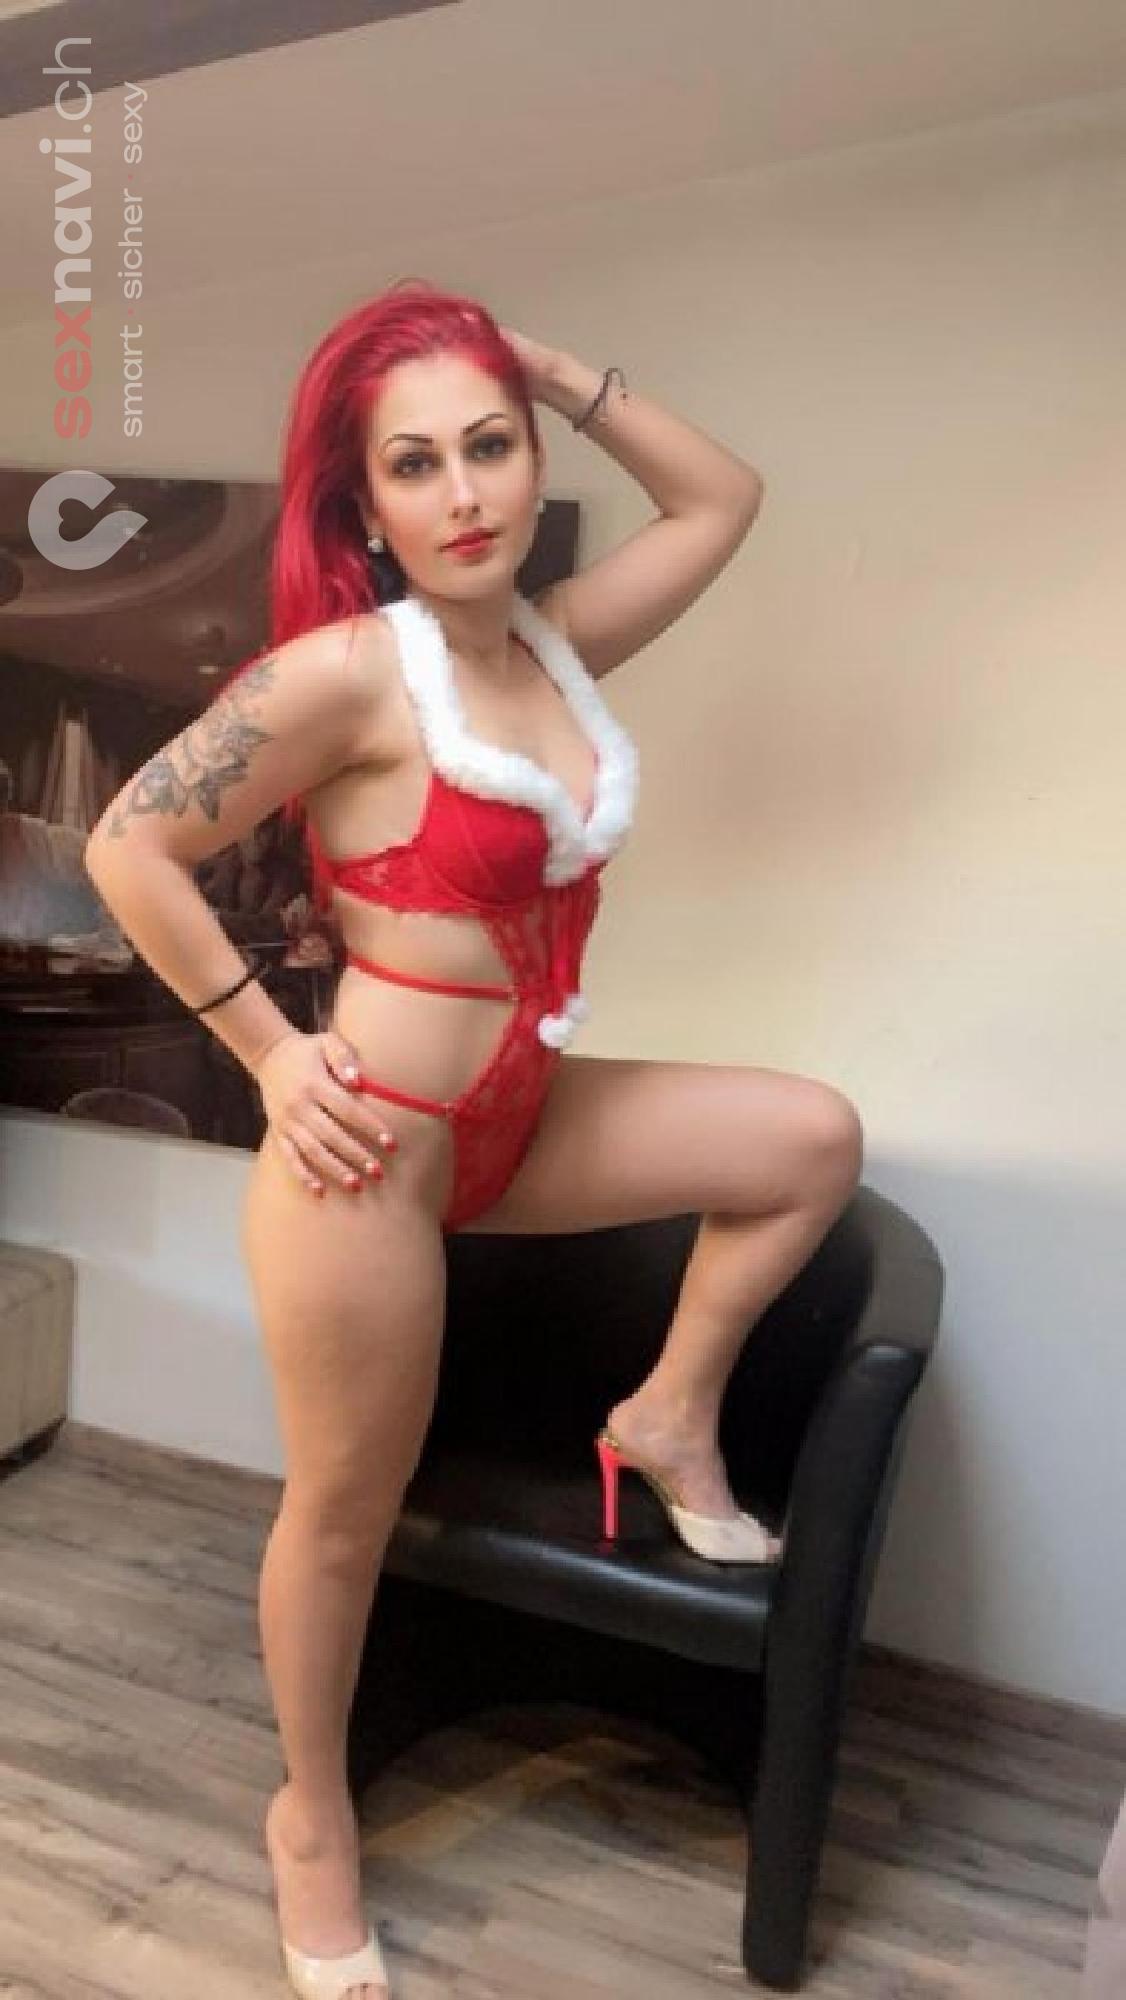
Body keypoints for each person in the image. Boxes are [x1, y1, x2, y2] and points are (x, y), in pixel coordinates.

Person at [84, 282, 864, 2000]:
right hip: (373, 1153)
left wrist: (550, 362)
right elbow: (126, 846)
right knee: (342, 1515)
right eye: (415, 463)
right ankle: (308, 1817)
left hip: (523, 1113)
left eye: (489, 444)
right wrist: (270, 1057)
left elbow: (720, 499)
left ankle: (663, 1413)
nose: (463, 492)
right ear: (367, 506)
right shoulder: (350, 674)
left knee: (807, 1143)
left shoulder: (553, 646)